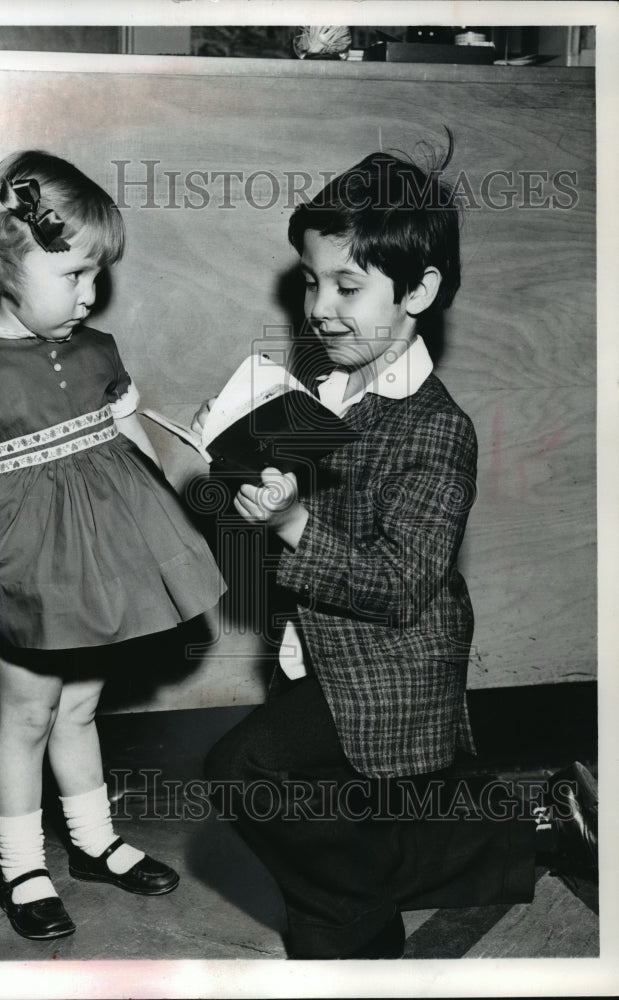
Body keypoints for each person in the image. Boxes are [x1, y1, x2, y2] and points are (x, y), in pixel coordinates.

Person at [196, 139, 597, 959]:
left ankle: (515, 835)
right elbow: (262, 521)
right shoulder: (317, 387)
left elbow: (399, 583)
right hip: (313, 652)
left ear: (419, 290)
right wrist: (235, 476)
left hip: (389, 670)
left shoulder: (437, 427)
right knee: (329, 907)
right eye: (312, 282)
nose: (320, 306)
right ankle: (370, 948)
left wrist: (291, 526)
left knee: (247, 774)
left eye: (348, 285)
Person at [0, 150, 225, 941]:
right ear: (5, 264)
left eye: (96, 275)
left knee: (81, 706)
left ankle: (93, 840)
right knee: (28, 716)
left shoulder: (97, 349)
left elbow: (131, 437)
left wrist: (186, 491)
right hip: (21, 574)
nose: (91, 293)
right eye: (73, 274)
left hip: (96, 565)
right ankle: (20, 865)